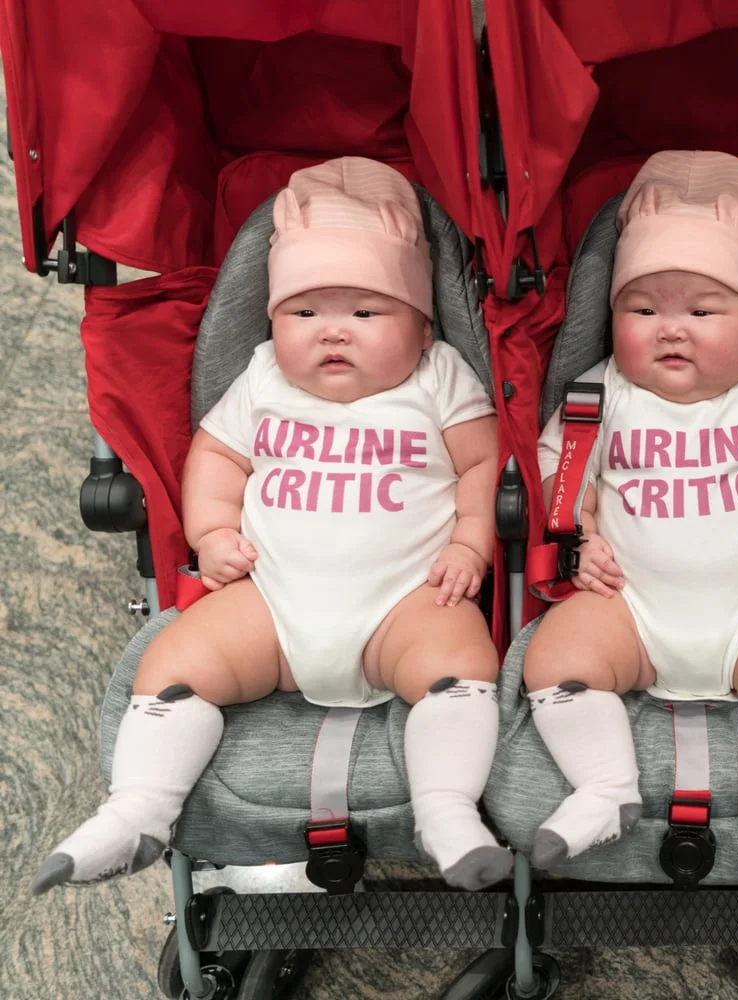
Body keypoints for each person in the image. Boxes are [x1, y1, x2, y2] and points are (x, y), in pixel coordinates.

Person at [33, 158, 511, 894]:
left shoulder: (439, 376)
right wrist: (213, 529)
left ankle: (445, 811)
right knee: (177, 658)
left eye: (366, 312)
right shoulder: (262, 377)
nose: (333, 334)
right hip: (273, 601)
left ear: (421, 330)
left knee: (463, 662)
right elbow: (218, 454)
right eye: (304, 313)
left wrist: (469, 541)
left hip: (404, 606)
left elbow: (482, 464)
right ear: (272, 321)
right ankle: (138, 810)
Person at [523, 151, 738, 868]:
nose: (670, 329)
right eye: (642, 309)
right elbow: (558, 468)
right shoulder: (602, 393)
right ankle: (603, 786)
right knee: (553, 659)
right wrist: (580, 536)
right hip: (629, 607)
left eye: (703, 311)